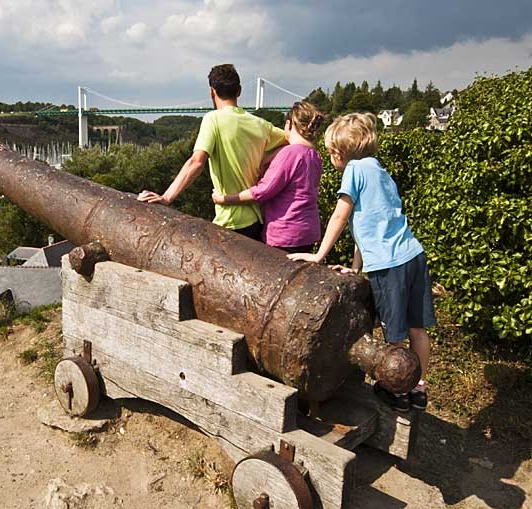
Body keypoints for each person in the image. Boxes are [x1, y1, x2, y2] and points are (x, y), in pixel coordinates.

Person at [287, 112, 435, 412]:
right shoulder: (381, 171)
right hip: (413, 255)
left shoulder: (354, 170)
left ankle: (398, 389)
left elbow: (342, 215)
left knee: (393, 333)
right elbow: (367, 225)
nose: (331, 158)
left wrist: (319, 254)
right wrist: (355, 267)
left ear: (339, 152)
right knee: (417, 329)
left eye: (330, 153)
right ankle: (419, 388)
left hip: (389, 264)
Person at [137, 64, 287, 240]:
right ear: (239, 91)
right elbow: (292, 141)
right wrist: (265, 159)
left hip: (229, 220)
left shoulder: (212, 119)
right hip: (256, 219)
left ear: (212, 92)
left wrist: (166, 197)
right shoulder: (260, 124)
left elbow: (196, 162)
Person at [211, 101, 323, 253]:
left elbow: (263, 191)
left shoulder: (290, 153)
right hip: (308, 229)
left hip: (286, 231)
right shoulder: (314, 155)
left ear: (289, 124)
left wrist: (224, 199)